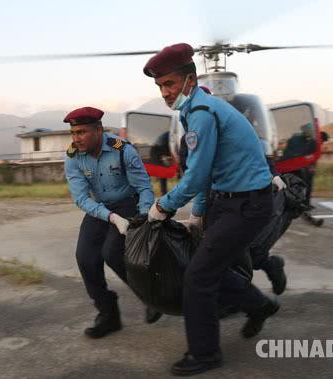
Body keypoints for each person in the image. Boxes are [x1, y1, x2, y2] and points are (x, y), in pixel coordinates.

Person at [143, 43, 278, 376]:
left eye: (170, 84)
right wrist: (199, 213)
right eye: (160, 86)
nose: (164, 92)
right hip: (228, 201)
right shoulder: (198, 110)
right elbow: (210, 172)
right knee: (210, 267)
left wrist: (163, 206)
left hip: (246, 204)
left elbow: (196, 175)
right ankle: (260, 306)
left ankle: (205, 354)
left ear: (190, 80)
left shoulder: (202, 114)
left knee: (198, 277)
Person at [63, 106, 161, 339]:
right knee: (85, 258)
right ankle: (108, 314)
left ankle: (152, 297)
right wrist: (111, 217)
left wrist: (143, 216)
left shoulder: (122, 149)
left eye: (82, 132)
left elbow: (143, 187)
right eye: (73, 133)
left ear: (99, 130)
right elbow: (81, 198)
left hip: (127, 203)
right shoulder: (73, 156)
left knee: (112, 253)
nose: (76, 139)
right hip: (100, 210)